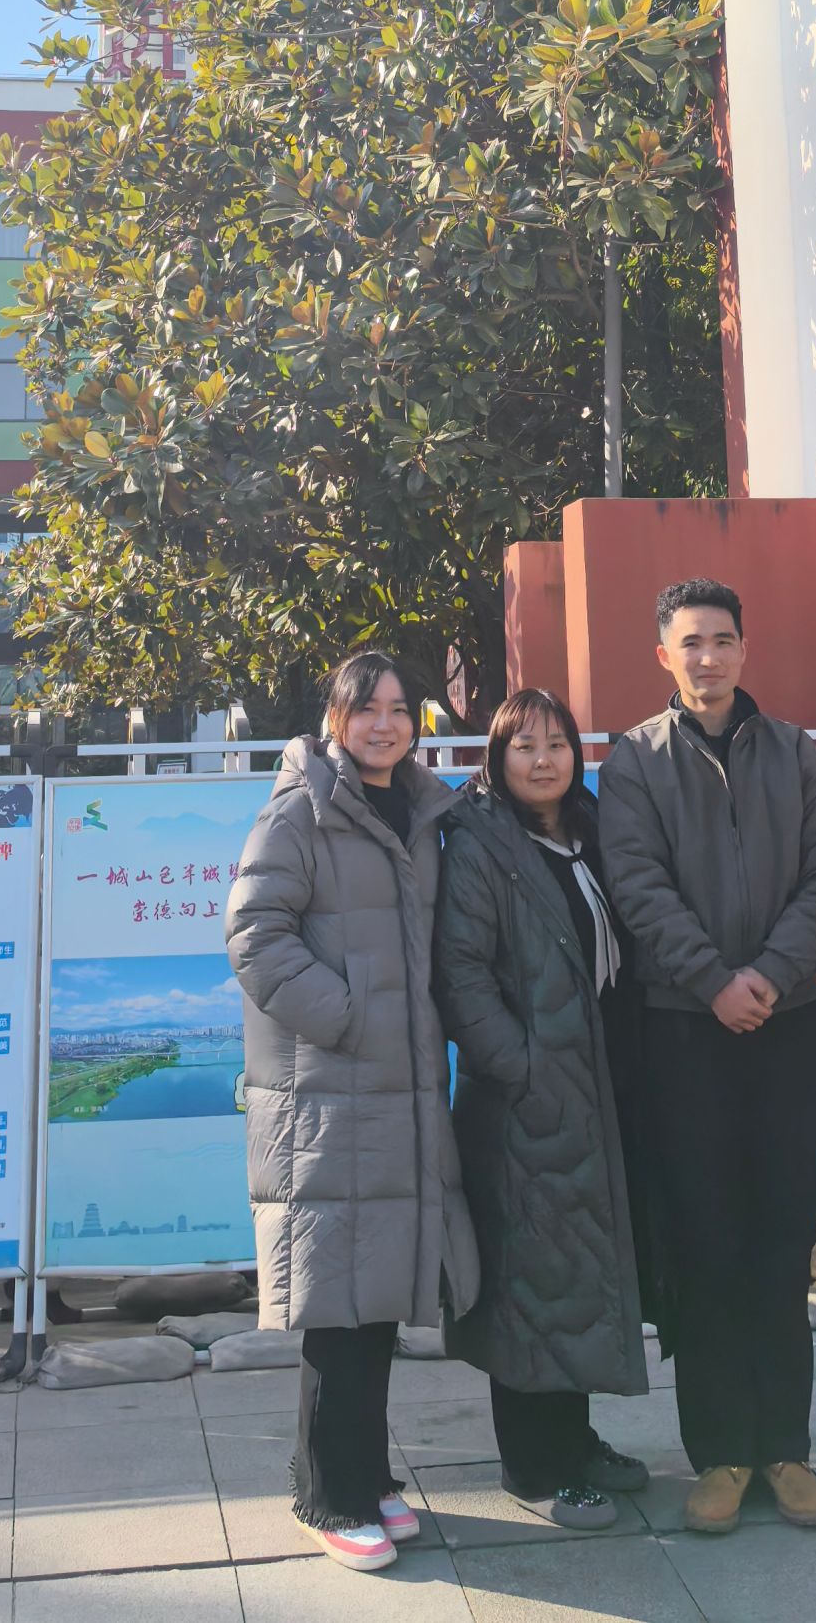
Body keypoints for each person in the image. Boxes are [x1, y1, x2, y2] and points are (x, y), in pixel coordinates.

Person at [596, 578, 816, 1537]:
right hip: (683, 1031)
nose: (708, 657)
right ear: (664, 655)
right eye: (690, 642)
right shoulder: (634, 760)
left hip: (788, 1027)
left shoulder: (796, 753)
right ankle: (721, 1455)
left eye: (722, 640)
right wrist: (712, 982)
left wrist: (770, 977)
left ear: (745, 649)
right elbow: (637, 885)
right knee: (704, 1241)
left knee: (783, 1236)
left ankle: (786, 1448)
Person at [226, 651, 478, 1571]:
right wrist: (351, 1015)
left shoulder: (420, 811)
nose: (385, 724)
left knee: (377, 1295)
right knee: (337, 1300)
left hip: (399, 1091)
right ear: (335, 719)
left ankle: (365, 1474)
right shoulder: (301, 810)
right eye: (366, 708)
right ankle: (325, 1494)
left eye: (400, 709)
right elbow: (253, 935)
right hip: (328, 1094)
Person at [434, 688, 651, 1530]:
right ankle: (533, 1465)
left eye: (556, 743)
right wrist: (518, 1068)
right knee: (530, 1279)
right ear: (496, 757)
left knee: (577, 1271)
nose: (543, 759)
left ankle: (576, 1441)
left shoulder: (590, 831)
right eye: (523, 745)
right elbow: (460, 973)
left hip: (598, 1084)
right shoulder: (480, 843)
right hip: (523, 1099)